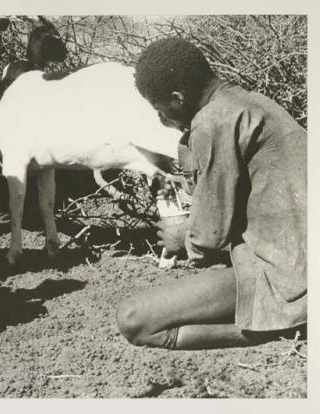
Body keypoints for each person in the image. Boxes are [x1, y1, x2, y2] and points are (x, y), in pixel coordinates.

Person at [115, 37, 306, 349]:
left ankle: (278, 327)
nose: (162, 120)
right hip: (298, 259)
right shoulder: (252, 102)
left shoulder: (212, 120)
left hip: (290, 276)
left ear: (178, 98)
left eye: (161, 110)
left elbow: (208, 238)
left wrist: (180, 237)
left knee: (134, 318)